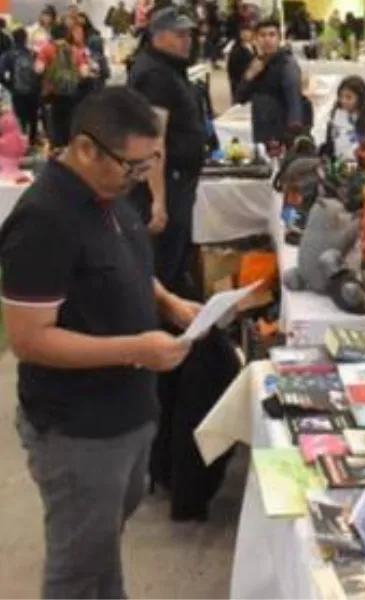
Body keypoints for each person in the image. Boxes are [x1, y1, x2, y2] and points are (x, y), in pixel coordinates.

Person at [0, 86, 200, 600]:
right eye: (132, 166)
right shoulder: (44, 218)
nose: (139, 177)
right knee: (77, 565)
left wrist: (168, 302)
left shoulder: (110, 192)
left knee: (99, 546)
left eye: (148, 164)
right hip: (77, 428)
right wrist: (135, 348)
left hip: (127, 410)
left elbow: (126, 263)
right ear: (86, 148)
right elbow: (30, 339)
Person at [127, 6, 208, 295]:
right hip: (167, 183)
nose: (188, 40)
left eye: (189, 34)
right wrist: (158, 201)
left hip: (178, 179)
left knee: (174, 260)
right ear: (157, 36)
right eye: (180, 34)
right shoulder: (155, 75)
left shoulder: (167, 68)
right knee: (163, 265)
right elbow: (152, 140)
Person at [234, 19, 304, 152]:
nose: (267, 39)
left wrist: (292, 131)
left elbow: (293, 99)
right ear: (256, 39)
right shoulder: (256, 63)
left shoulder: (287, 65)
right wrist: (249, 77)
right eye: (262, 35)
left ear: (279, 38)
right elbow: (239, 99)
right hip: (261, 130)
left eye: (271, 35)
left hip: (281, 133)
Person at [36, 22, 88, 150]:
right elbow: (84, 72)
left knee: (54, 121)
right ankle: (70, 148)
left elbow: (38, 69)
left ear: (51, 35)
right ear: (67, 34)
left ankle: (56, 149)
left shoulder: (46, 49)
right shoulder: (75, 50)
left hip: (52, 93)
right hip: (71, 93)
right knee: (70, 120)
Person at [320, 75, 365, 163]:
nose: (343, 101)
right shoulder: (337, 114)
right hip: (341, 165)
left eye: (349, 97)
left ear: (360, 98)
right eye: (341, 96)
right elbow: (331, 142)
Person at [0, 28, 41, 146]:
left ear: (13, 39)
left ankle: (20, 143)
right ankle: (32, 141)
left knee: (20, 118)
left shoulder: (7, 55)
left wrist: (10, 87)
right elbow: (39, 72)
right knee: (33, 117)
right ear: (26, 38)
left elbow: (1, 74)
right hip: (33, 91)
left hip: (17, 91)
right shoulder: (33, 53)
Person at [226, 21, 255, 101]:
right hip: (241, 85)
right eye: (243, 32)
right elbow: (232, 71)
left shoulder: (255, 48)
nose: (246, 34)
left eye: (248, 31)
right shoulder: (236, 50)